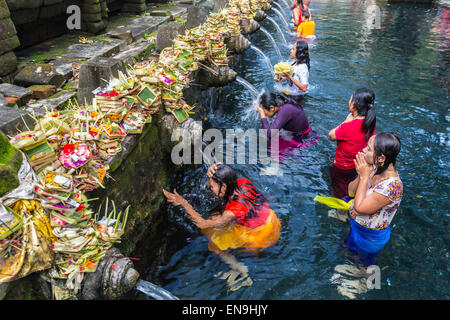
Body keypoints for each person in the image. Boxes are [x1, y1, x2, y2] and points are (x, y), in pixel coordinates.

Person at [162, 164, 281, 287]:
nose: (209, 187)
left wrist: (183, 203)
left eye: (212, 185)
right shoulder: (242, 182)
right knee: (213, 215)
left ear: (223, 187)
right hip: (271, 219)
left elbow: (202, 224)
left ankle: (238, 267)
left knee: (213, 240)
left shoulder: (231, 212)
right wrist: (213, 169)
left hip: (261, 235)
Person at [346, 132, 403, 265]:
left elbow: (359, 208)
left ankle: (367, 283)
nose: (363, 151)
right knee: (350, 254)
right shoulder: (373, 167)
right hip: (356, 225)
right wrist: (361, 175)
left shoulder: (393, 186)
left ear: (381, 157)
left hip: (369, 236)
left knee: (362, 263)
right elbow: (351, 191)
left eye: (369, 149)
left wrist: (364, 177)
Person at [328, 88, 376, 199]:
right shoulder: (370, 122)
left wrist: (346, 121)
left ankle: (341, 212)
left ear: (354, 105)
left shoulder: (348, 125)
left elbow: (331, 135)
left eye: (350, 99)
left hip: (342, 167)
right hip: (360, 163)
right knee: (353, 186)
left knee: (340, 189)